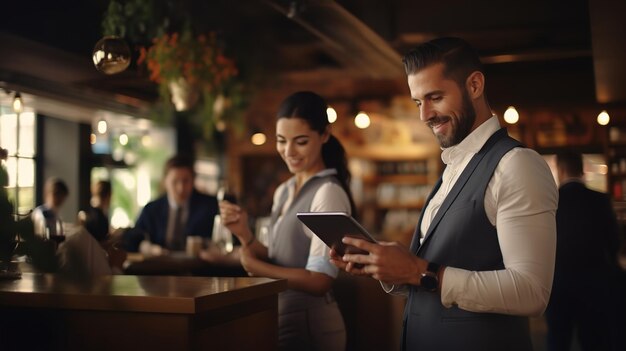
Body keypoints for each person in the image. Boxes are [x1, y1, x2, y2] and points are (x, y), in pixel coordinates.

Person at [330, 37, 558, 351]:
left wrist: (418, 270)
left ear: (475, 85)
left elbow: (532, 292)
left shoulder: (516, 165)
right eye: (417, 102)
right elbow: (432, 278)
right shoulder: (452, 168)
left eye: (435, 97)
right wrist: (385, 267)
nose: (424, 115)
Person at [219, 91, 354, 350]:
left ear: (324, 135)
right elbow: (281, 256)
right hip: (280, 316)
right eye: (281, 141)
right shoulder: (284, 190)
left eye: (300, 141)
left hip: (311, 324)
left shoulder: (327, 192)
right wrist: (245, 236)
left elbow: (320, 280)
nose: (288, 151)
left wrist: (259, 269)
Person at [545, 151, 624, 351]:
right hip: (594, 282)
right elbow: (613, 242)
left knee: (558, 340)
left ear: (560, 170)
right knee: (595, 340)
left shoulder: (550, 202)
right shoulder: (600, 199)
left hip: (558, 282)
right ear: (581, 169)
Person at [122, 155, 219, 253]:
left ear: (193, 180)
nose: (181, 188)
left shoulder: (209, 206)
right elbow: (131, 238)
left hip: (199, 266)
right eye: (175, 181)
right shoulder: (152, 209)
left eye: (186, 181)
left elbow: (221, 239)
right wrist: (149, 249)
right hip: (159, 265)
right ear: (165, 181)